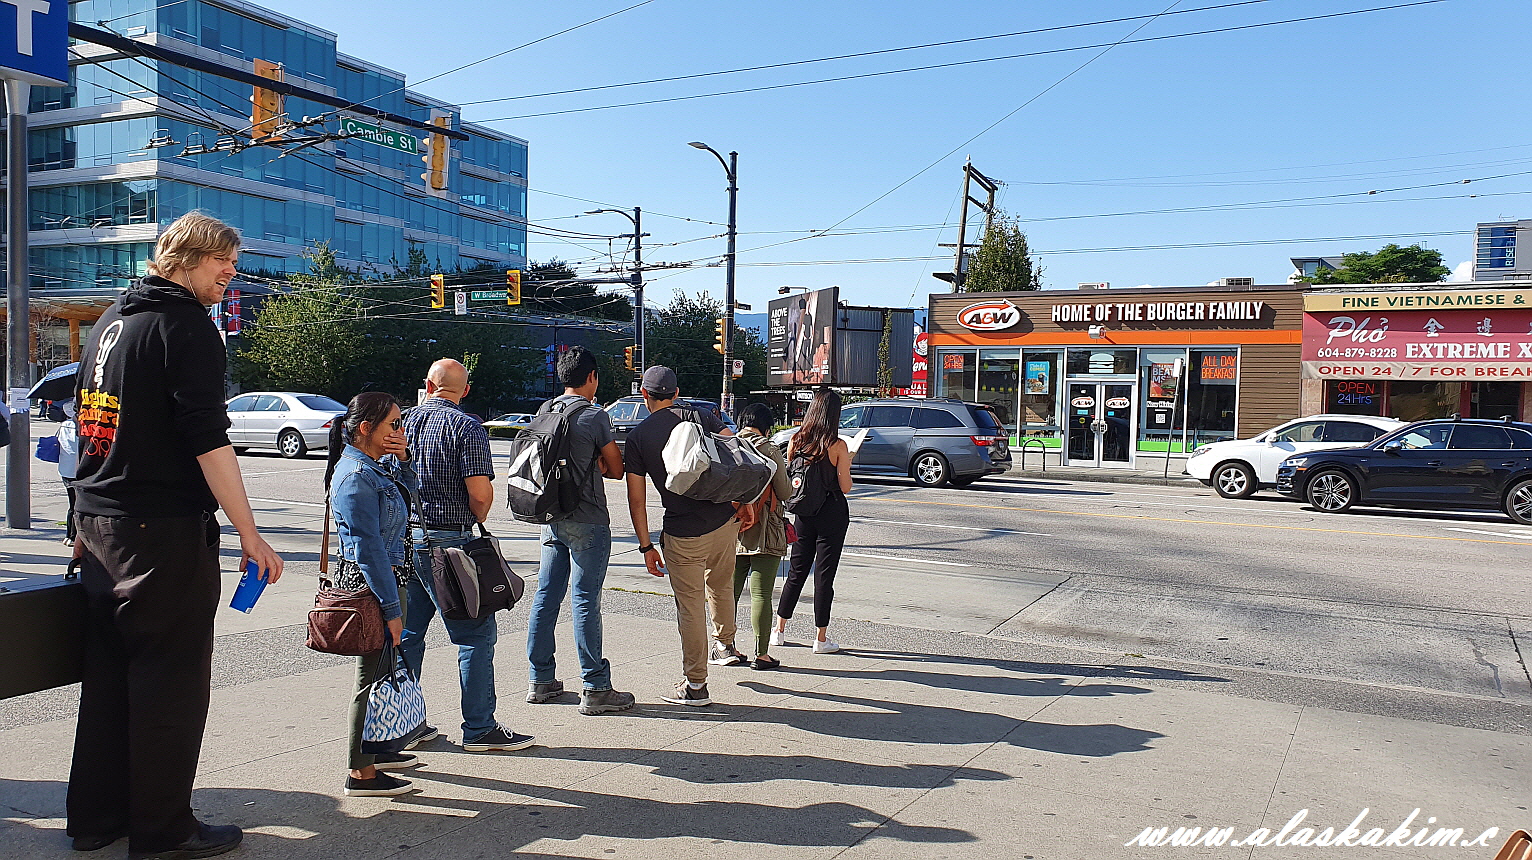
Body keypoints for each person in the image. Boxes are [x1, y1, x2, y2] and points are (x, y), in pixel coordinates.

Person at [67, 211, 284, 859]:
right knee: (170, 681)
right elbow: (207, 437)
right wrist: (249, 532)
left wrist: (80, 520)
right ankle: (163, 831)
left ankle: (96, 819)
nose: (231, 273)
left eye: (234, 262)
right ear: (185, 259)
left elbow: (89, 428)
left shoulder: (111, 322)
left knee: (108, 679)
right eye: (222, 260)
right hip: (161, 533)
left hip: (103, 528)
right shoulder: (186, 325)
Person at [400, 358, 534, 752]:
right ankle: (479, 728)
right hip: (450, 543)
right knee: (475, 636)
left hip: (407, 540)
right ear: (466, 390)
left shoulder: (402, 422)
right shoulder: (466, 427)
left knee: (408, 635)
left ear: (428, 385)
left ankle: (405, 723)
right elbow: (479, 493)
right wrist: (479, 515)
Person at [624, 366, 753, 707]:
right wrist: (744, 502)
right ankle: (725, 645)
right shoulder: (702, 416)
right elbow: (737, 456)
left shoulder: (638, 437)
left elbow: (637, 501)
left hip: (683, 534)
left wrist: (646, 546)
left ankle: (696, 684)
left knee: (691, 607)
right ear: (676, 393)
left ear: (644, 394)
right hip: (724, 521)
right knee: (721, 585)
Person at [525, 347, 635, 715]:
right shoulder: (594, 416)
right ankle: (596, 686)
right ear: (592, 377)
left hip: (551, 516)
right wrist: (597, 462)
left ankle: (540, 679)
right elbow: (616, 468)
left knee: (546, 596)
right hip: (588, 518)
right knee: (585, 599)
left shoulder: (545, 410)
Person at [326, 393, 420, 797]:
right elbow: (369, 550)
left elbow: (412, 499)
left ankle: (378, 750)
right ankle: (360, 772)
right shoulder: (355, 477)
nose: (400, 431)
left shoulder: (375, 468)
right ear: (365, 428)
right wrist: (391, 608)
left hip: (387, 580)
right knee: (370, 676)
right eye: (393, 424)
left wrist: (404, 459)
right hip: (371, 587)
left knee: (383, 670)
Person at [774, 388, 853, 654]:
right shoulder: (837, 445)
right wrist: (847, 463)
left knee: (796, 572)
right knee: (824, 576)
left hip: (804, 513)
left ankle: (779, 630)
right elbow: (845, 487)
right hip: (831, 513)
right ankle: (820, 638)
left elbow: (792, 478)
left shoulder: (796, 441)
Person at [732, 403, 791, 669]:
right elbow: (785, 491)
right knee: (761, 595)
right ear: (766, 427)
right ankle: (761, 654)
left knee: (727, 594)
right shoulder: (769, 449)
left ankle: (725, 647)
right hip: (765, 528)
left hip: (732, 528)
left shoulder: (728, 444)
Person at [57, 399, 79, 547]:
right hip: (79, 470)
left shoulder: (64, 426)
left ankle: (69, 536)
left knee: (72, 503)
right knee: (78, 505)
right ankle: (74, 535)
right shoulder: (81, 427)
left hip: (65, 469)